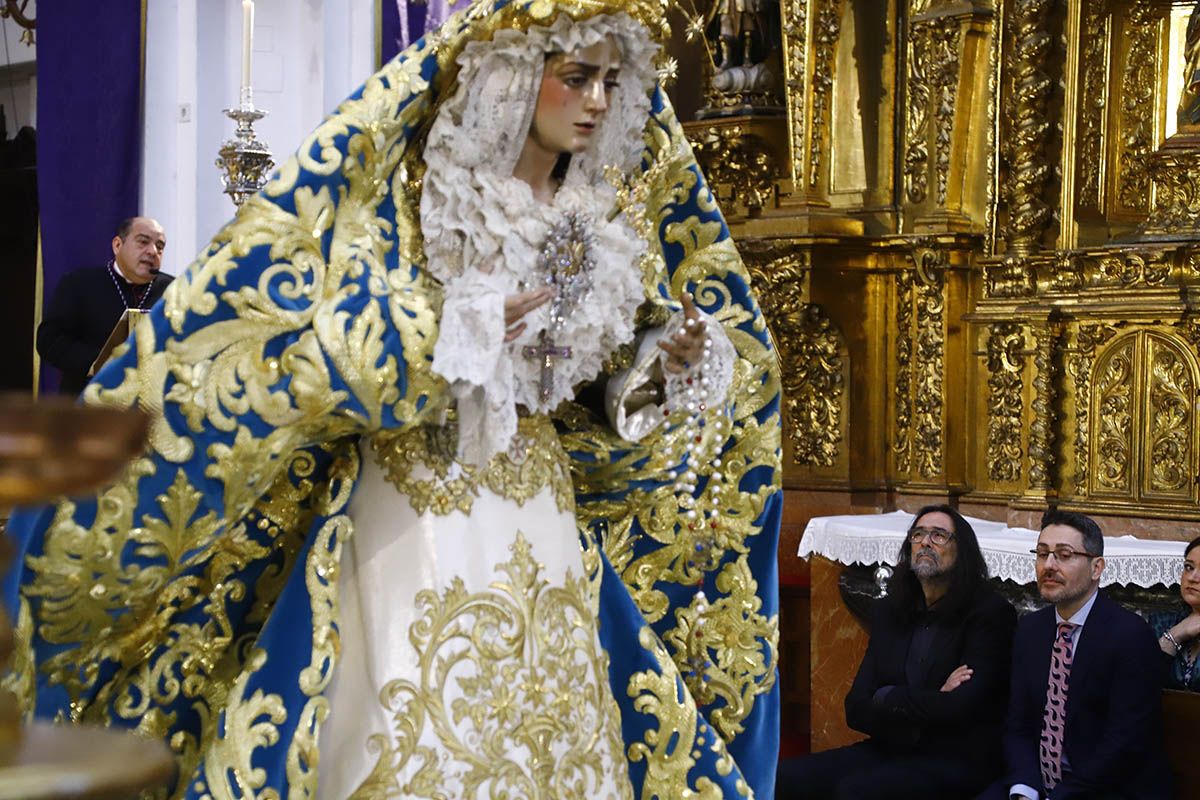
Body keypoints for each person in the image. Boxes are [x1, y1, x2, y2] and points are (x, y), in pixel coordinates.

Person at [2, 1, 784, 798]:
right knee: (414, 710)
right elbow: (345, 342)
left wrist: (659, 368)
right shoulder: (425, 198)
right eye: (577, 76)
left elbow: (588, 391)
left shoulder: (598, 228)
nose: (595, 101)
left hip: (540, 499)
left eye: (610, 83)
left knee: (553, 725)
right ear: (518, 74)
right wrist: (466, 326)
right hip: (420, 492)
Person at [778, 505, 1016, 800]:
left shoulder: (989, 614)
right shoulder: (891, 611)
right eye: (918, 535)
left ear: (962, 551)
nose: (925, 542)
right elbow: (855, 707)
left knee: (856, 792)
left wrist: (887, 697)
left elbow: (962, 708)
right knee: (787, 778)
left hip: (954, 758)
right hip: (891, 747)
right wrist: (933, 697)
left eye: (939, 535)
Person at [980, 510, 1173, 800]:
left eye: (1064, 555)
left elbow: (1124, 743)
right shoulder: (1031, 630)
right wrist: (1024, 789)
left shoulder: (1130, 636)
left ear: (1097, 568)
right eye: (1042, 554)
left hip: (1108, 788)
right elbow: (1018, 725)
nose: (1048, 565)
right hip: (1037, 785)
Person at [36, 216, 172, 394]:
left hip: (153, 401)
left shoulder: (174, 290)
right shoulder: (79, 284)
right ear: (117, 245)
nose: (153, 251)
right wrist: (100, 362)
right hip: (90, 398)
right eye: (143, 242)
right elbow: (49, 340)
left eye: (160, 247)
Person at [1156, 536, 1200, 691]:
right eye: (1189, 567)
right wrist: (1175, 635)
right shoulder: (1162, 622)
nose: (1193, 578)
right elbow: (1143, 686)